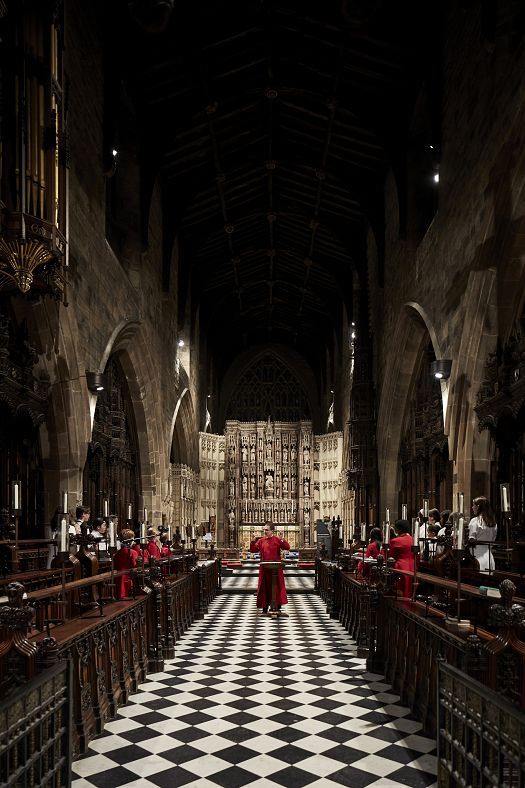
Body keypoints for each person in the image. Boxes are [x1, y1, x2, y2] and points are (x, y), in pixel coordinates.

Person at [250, 522, 290, 615]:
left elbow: (287, 547)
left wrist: (282, 539)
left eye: (267, 530)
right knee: (264, 587)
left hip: (276, 568)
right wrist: (252, 541)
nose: (265, 532)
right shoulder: (261, 540)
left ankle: (277, 606)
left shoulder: (277, 539)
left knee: (277, 586)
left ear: (272, 530)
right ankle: (264, 607)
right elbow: (253, 550)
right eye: (264, 530)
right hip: (265, 568)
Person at [468, 496, 497, 571]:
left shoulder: (475, 521)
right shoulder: (493, 523)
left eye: (473, 505)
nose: (472, 507)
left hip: (476, 556)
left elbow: (471, 539)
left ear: (478, 507)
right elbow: (493, 541)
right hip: (489, 556)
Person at [389, 519, 416, 598]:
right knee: (411, 592)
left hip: (400, 568)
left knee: (400, 592)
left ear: (399, 529)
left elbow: (391, 557)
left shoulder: (395, 541)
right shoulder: (414, 539)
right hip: (413, 567)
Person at [113, 528, 137, 599]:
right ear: (130, 540)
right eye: (133, 538)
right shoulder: (132, 552)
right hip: (129, 580)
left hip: (118, 579)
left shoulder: (117, 553)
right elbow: (135, 565)